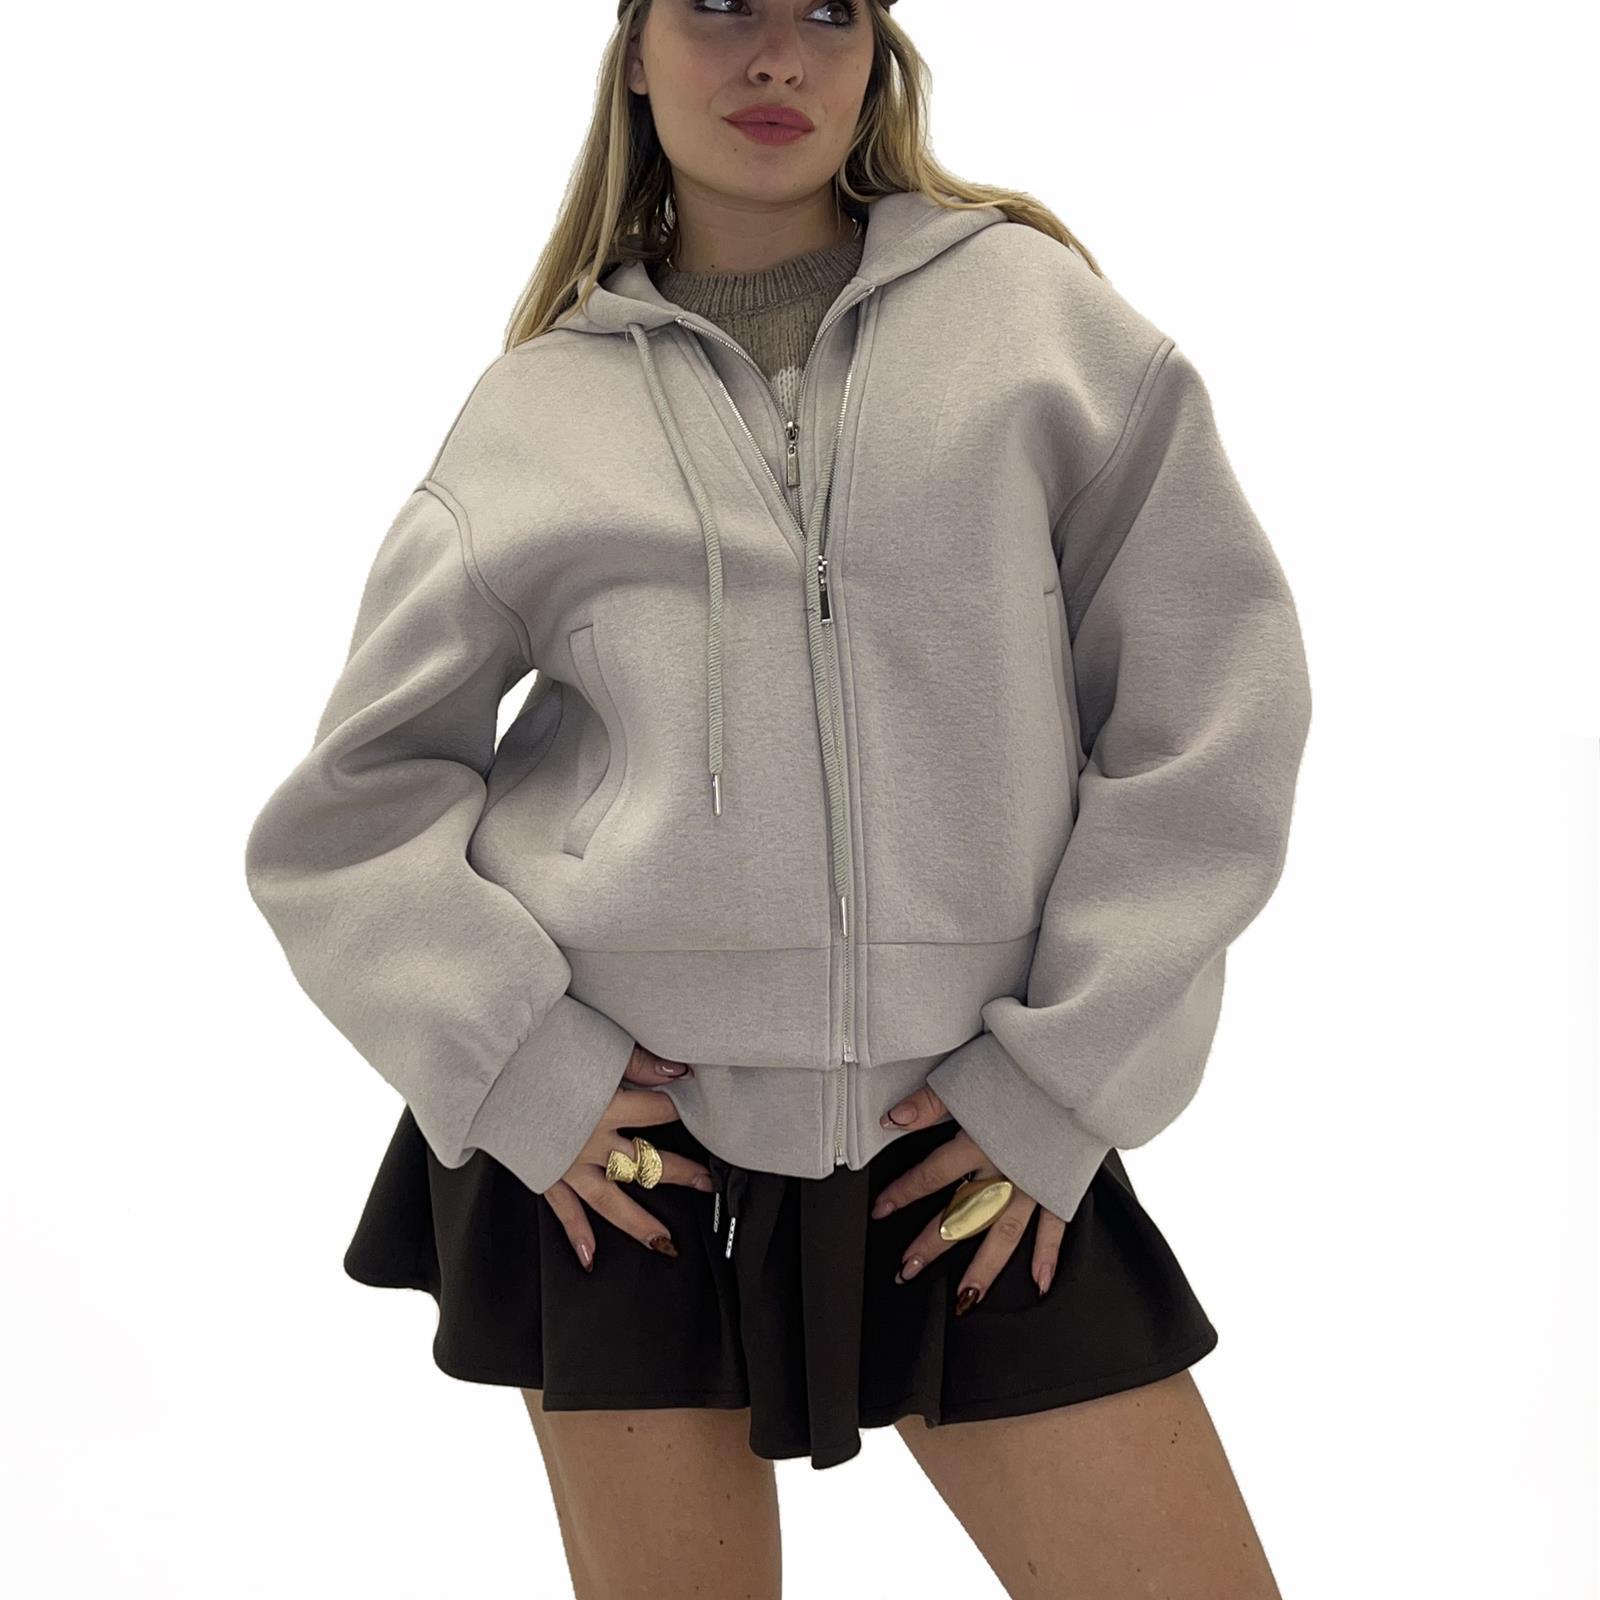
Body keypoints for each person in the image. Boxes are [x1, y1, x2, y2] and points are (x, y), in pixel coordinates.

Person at [243, 0, 1310, 1593]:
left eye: (826, 11)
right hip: (628, 1160)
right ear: (635, 48)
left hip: (970, 1130)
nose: (774, 57)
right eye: (721, 7)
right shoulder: (537, 411)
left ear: (877, 49)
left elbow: (1213, 719)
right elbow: (351, 811)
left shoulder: (1040, 330)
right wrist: (522, 1066)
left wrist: (1062, 1076)